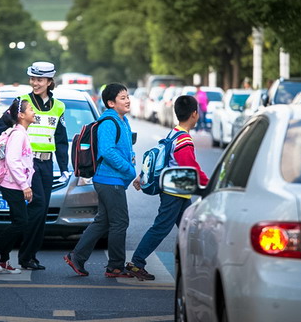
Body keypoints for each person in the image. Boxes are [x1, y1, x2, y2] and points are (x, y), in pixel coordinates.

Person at [0, 62, 69, 270]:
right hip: (25, 166)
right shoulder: (21, 102)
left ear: (49, 82)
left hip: (47, 164)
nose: (34, 83)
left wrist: (65, 167)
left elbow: (61, 139)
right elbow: (0, 126)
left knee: (40, 212)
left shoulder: (59, 106)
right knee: (37, 209)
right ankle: (3, 250)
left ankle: (26, 256)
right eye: (32, 78)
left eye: (39, 79)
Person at [126, 95, 209, 280]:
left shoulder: (174, 133)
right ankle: (137, 262)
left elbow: (161, 157)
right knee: (162, 227)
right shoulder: (184, 141)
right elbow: (191, 168)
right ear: (195, 114)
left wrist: (143, 175)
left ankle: (203, 265)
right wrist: (209, 184)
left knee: (189, 227)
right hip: (174, 192)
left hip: (177, 190)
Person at [64, 83, 136, 278]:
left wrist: (131, 158)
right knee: (120, 222)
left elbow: (124, 148)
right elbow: (107, 151)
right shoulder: (108, 123)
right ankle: (115, 266)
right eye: (122, 98)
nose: (127, 100)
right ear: (111, 103)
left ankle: (77, 257)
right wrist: (130, 169)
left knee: (103, 221)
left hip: (114, 179)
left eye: (127, 96)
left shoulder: (122, 120)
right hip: (108, 179)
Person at [0, 98, 35, 274]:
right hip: (12, 186)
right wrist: (24, 186)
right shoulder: (18, 134)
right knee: (21, 222)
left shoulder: (22, 133)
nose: (34, 112)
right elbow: (12, 161)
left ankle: (4, 260)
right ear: (21, 115)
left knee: (17, 221)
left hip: (16, 186)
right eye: (30, 110)